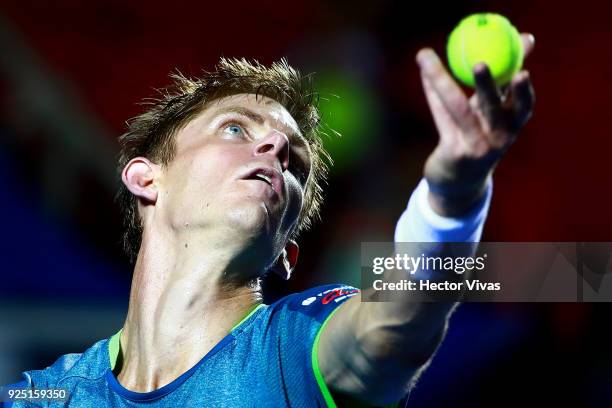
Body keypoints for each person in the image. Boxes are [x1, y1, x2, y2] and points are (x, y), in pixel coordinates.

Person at [1, 33, 535, 407]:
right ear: (146, 178)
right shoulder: (48, 394)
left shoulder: (299, 344)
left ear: (286, 254)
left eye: (295, 163)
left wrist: (455, 192)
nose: (277, 146)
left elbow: (398, 324)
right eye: (235, 128)